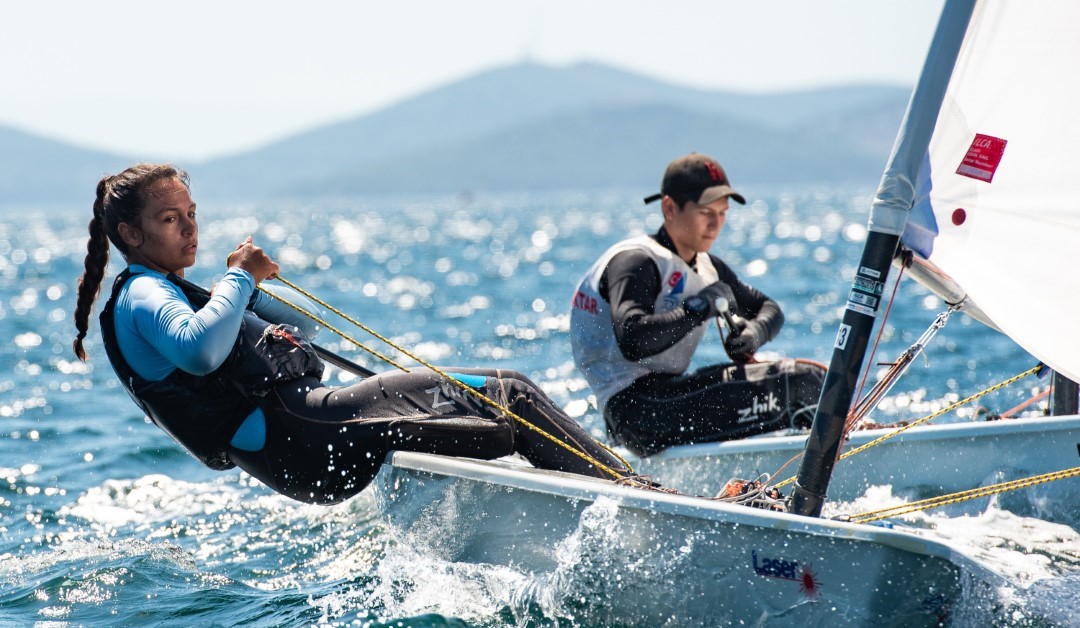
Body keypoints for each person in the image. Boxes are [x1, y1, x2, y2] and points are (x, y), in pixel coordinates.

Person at [72, 163, 633, 505]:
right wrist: (238, 275)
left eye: (192, 212)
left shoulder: (177, 291)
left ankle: (608, 492)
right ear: (130, 233)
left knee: (496, 414)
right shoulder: (143, 295)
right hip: (300, 432)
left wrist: (248, 288)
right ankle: (639, 497)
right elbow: (199, 352)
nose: (191, 227)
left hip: (301, 438)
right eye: (171, 219)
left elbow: (301, 329)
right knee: (507, 395)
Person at [570, 153, 825, 457]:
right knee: (801, 383)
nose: (716, 224)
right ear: (670, 208)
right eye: (706, 212)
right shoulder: (636, 261)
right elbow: (634, 340)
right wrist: (698, 308)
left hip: (670, 396)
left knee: (808, 380)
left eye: (723, 212)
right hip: (635, 413)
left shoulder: (707, 268)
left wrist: (752, 334)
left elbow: (770, 310)